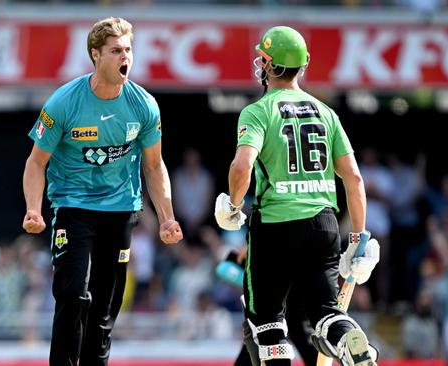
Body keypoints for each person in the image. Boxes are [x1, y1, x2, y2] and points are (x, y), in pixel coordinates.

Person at [214, 25, 380, 366]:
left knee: (267, 323)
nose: (259, 65)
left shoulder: (258, 111)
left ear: (272, 67)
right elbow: (354, 177)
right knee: (326, 312)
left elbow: (242, 166)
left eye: (263, 59)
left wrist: (232, 206)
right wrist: (358, 239)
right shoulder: (326, 112)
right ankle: (347, 335)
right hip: (324, 224)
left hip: (275, 226)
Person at [21, 17, 182, 366]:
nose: (125, 57)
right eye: (115, 51)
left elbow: (154, 165)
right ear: (96, 55)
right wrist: (34, 209)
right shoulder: (64, 102)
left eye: (128, 50)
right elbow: (36, 162)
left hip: (121, 209)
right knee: (73, 294)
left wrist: (167, 217)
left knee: (105, 309)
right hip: (73, 206)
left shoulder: (144, 105)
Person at [216, 247, 318, 366]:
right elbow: (225, 267)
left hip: (288, 301)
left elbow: (225, 267)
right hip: (276, 302)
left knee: (311, 354)